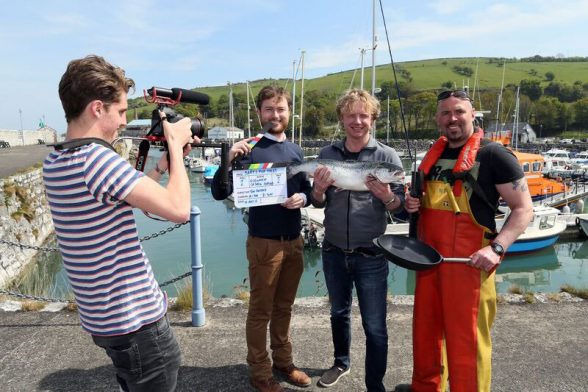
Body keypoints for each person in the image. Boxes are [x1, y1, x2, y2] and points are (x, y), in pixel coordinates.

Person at [43, 55, 198, 392]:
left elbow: (130, 197)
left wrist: (164, 167)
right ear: (98, 109)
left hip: (105, 321)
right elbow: (179, 209)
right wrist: (173, 139)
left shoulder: (57, 159)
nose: (124, 122)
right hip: (138, 325)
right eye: (122, 112)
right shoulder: (96, 160)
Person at [395, 90, 533, 392]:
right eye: (445, 113)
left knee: (466, 341)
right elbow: (421, 208)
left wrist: (497, 248)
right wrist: (411, 205)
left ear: (473, 115)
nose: (452, 119)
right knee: (426, 334)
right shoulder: (432, 158)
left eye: (459, 111)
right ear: (437, 119)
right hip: (429, 262)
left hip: (469, 266)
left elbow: (524, 209)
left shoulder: (495, 155)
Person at [211, 86, 313, 392]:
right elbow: (219, 192)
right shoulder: (250, 148)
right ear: (259, 113)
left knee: (285, 308)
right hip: (263, 243)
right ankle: (259, 373)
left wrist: (302, 199)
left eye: (281, 109)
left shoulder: (295, 150)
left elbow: (307, 189)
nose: (275, 115)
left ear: (289, 112)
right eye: (269, 109)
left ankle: (284, 361)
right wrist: (228, 160)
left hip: (294, 240)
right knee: (260, 311)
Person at [310, 89, 405, 392]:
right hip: (333, 250)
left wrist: (388, 196)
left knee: (375, 325)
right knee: (338, 313)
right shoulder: (327, 154)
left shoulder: (387, 157)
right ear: (342, 118)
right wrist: (318, 191)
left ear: (373, 119)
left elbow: (400, 207)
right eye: (351, 115)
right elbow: (319, 201)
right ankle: (341, 362)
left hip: (371, 254)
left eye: (364, 115)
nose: (357, 121)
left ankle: (374, 384)